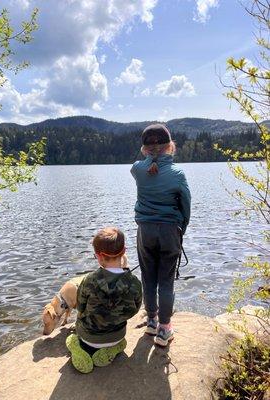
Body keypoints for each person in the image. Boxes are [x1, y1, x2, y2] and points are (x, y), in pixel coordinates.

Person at [131, 123, 191, 347]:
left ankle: (151, 321)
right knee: (166, 281)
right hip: (169, 232)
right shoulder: (177, 174)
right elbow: (186, 205)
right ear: (170, 147)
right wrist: (180, 230)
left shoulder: (137, 169)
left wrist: (150, 161)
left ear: (144, 149)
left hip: (145, 231)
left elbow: (146, 165)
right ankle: (165, 330)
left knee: (148, 277)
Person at [66, 226, 142, 373]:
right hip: (118, 334)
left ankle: (80, 349)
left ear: (99, 256)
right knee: (118, 339)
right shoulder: (134, 283)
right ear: (124, 251)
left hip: (90, 338)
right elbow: (135, 309)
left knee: (71, 338)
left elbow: (80, 308)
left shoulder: (89, 281)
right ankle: (114, 347)